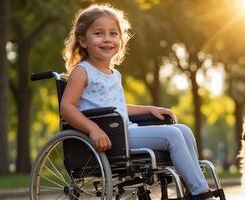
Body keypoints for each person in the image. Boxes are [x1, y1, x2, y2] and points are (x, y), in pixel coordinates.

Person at [60, 4, 211, 197]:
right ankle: (200, 192)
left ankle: (191, 187)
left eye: (113, 33)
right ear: (82, 41)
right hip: (108, 136)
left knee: (184, 131)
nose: (107, 39)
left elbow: (118, 107)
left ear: (121, 39)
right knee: (172, 135)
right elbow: (66, 107)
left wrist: (149, 109)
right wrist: (93, 129)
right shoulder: (82, 71)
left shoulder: (114, 74)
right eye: (99, 33)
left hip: (124, 131)